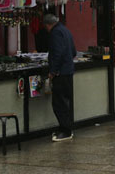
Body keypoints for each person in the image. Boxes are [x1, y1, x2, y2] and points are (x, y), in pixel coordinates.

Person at [44, 13, 76, 141]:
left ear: (48, 25)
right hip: (68, 71)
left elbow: (57, 53)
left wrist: (53, 71)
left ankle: (65, 131)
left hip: (60, 73)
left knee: (59, 103)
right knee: (66, 101)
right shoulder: (65, 30)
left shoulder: (55, 33)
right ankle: (66, 127)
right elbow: (73, 51)